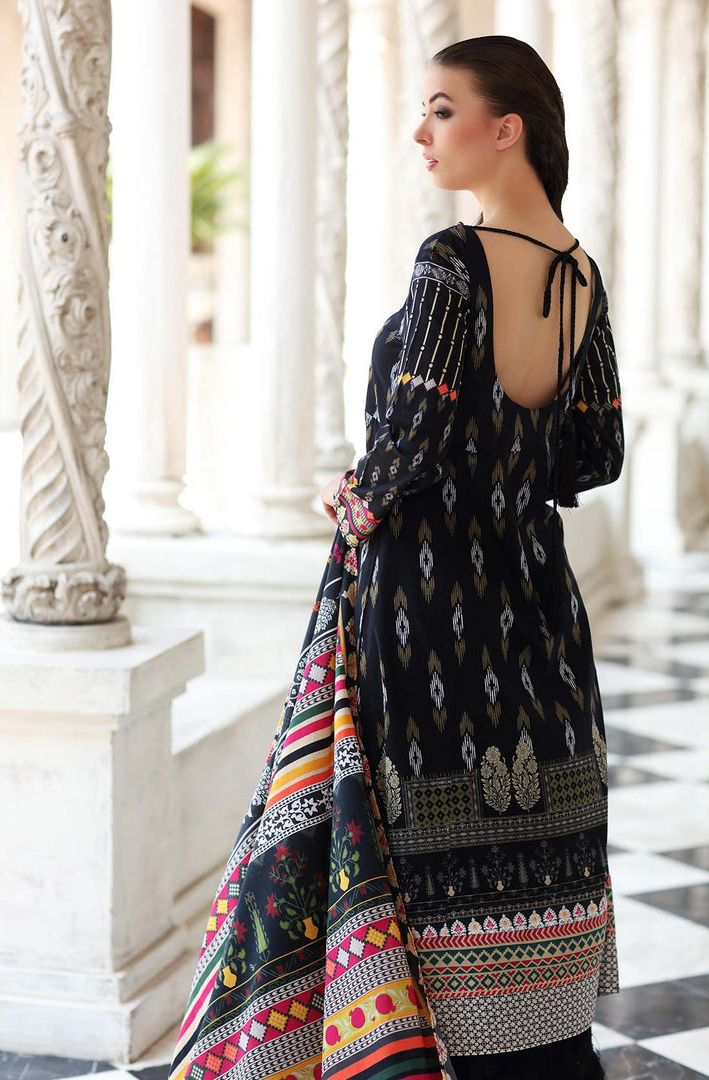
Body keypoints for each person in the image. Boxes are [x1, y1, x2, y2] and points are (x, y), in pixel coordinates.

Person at [168, 35, 622, 1080]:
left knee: (411, 862)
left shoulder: (451, 260)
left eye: (441, 110)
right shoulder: (579, 274)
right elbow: (594, 454)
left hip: (426, 610)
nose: (421, 131)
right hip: (538, 608)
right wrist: (505, 469)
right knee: (530, 849)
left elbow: (410, 444)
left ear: (506, 129)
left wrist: (349, 494)